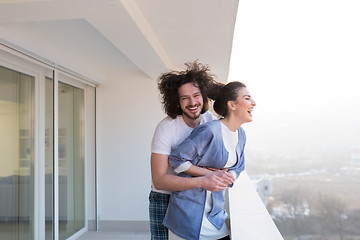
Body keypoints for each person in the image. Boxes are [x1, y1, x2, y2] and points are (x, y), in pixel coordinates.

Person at [150, 61, 235, 240]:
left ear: (204, 96)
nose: (192, 102)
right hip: (166, 197)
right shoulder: (167, 128)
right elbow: (159, 181)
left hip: (196, 197)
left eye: (196, 95)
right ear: (177, 102)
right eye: (184, 98)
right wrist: (203, 180)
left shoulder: (209, 119)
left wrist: (216, 173)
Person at [163, 81, 256, 240]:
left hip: (216, 216)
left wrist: (227, 176)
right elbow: (177, 159)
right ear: (231, 105)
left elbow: (239, 166)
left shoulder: (241, 134)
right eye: (247, 98)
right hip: (188, 215)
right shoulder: (209, 131)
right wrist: (207, 174)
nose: (253, 103)